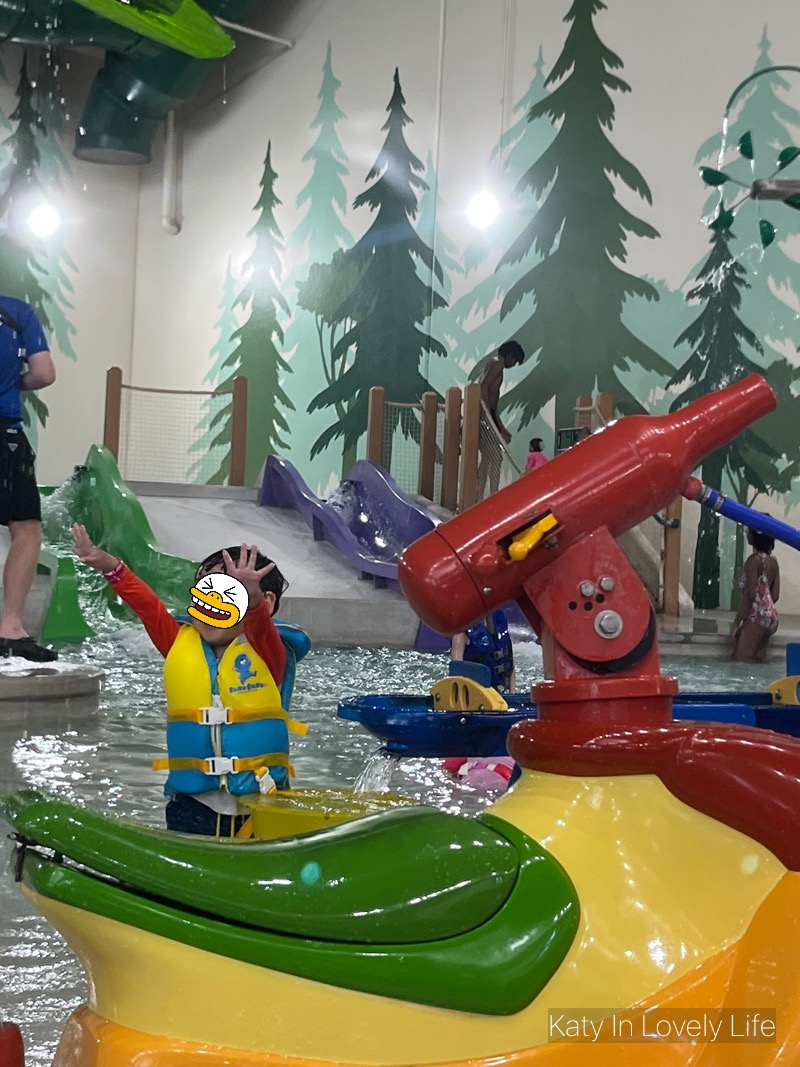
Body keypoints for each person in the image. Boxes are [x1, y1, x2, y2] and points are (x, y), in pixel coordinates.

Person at [71, 525, 304, 836]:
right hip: (192, 807)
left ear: (265, 602)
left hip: (261, 805)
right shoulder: (177, 642)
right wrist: (110, 567)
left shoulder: (270, 653)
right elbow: (148, 607)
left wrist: (252, 599)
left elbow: (259, 624)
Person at [0, 298, 57, 661]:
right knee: (25, 529)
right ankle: (10, 629)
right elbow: (44, 373)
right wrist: (11, 383)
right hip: (3, 433)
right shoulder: (16, 313)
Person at [477, 339, 525, 497]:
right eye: (515, 361)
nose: (514, 365)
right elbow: (483, 386)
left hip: (486, 415)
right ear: (510, 356)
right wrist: (488, 416)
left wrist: (502, 429)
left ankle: (479, 496)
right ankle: (493, 495)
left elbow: (493, 406)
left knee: (487, 459)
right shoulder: (497, 364)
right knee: (496, 457)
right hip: (484, 417)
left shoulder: (492, 364)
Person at [731, 526, 780, 663]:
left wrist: (736, 624)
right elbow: (775, 595)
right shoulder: (773, 562)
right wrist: (765, 611)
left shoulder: (754, 560)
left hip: (757, 616)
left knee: (740, 662)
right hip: (771, 617)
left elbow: (749, 595)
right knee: (758, 663)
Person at [450, 609, 516, 693]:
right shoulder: (461, 632)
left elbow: (510, 665)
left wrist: (513, 694)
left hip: (497, 694)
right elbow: (456, 673)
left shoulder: (499, 621)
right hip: (473, 693)